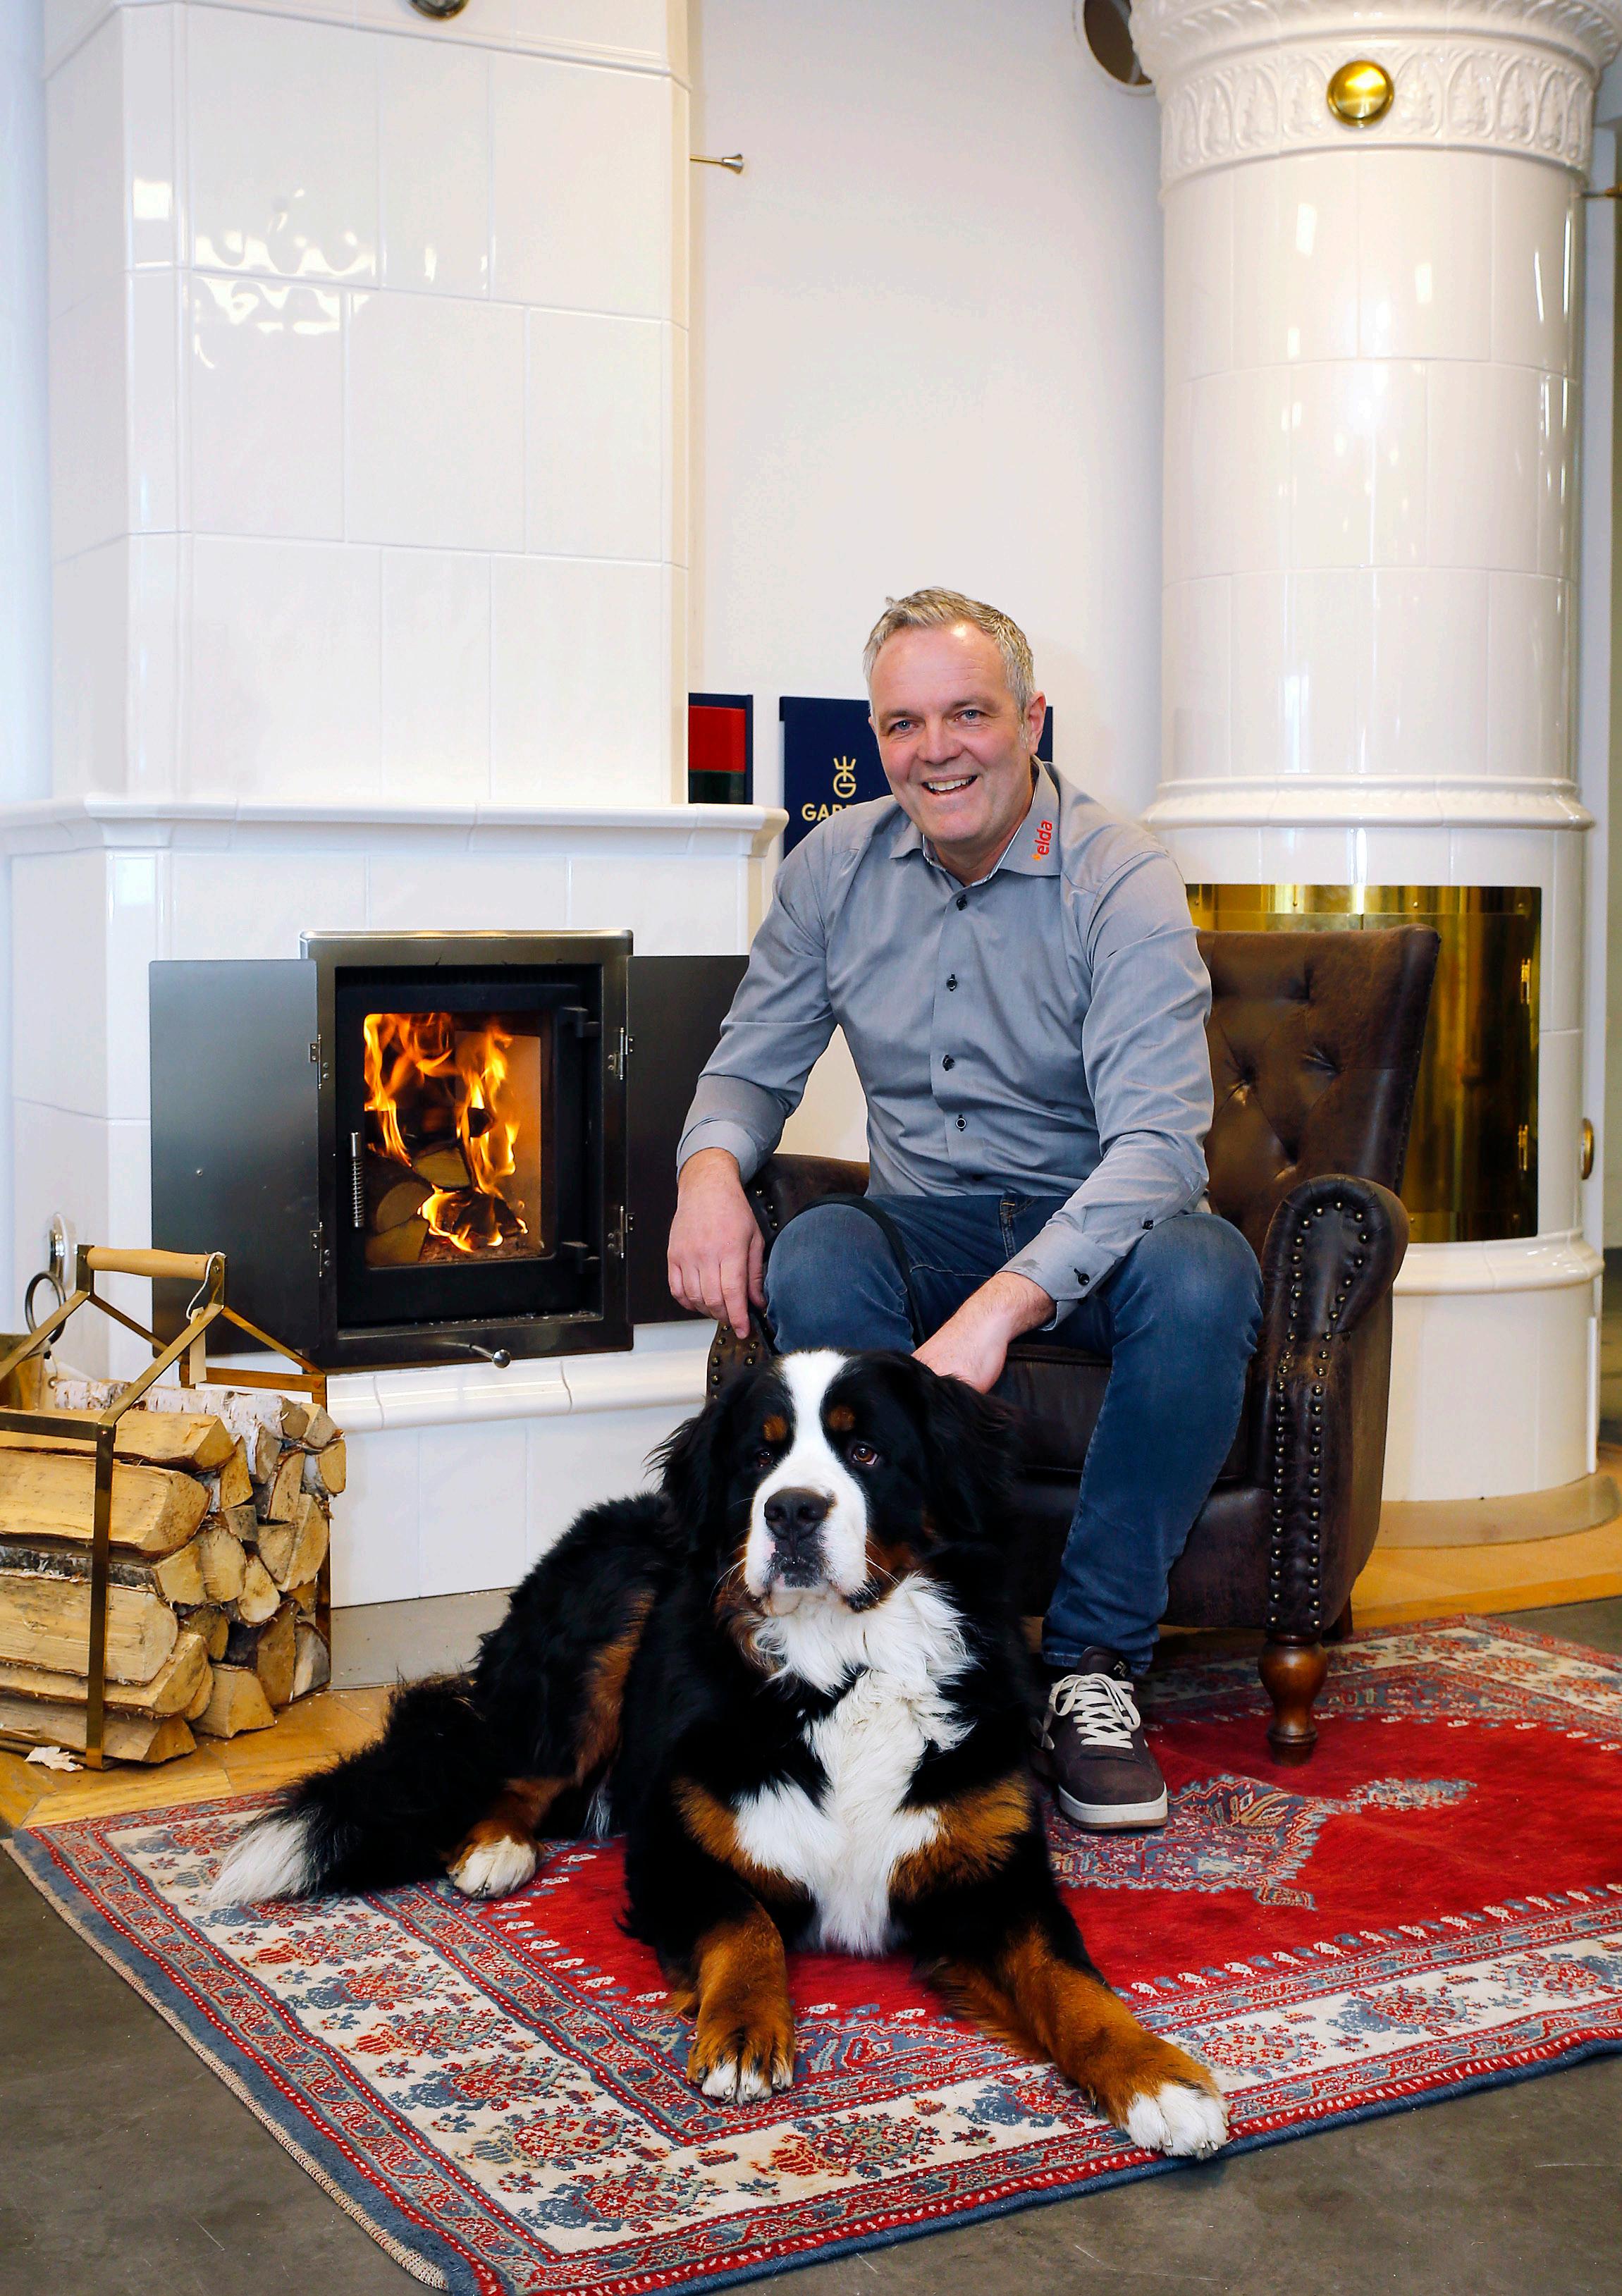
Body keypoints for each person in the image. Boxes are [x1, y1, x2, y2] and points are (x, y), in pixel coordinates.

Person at [668, 589, 1261, 1831]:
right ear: (876, 737)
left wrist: (1002, 1306)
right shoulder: (831, 867)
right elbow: (748, 1066)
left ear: (1031, 719)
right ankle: (898, 1633)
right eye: (903, 723)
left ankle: (1091, 1665)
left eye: (968, 714)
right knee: (820, 1244)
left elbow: (1157, 1146)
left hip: (1101, 1239)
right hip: (925, 1221)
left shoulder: (1120, 873)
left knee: (1205, 1267)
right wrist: (708, 1173)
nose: (935, 750)